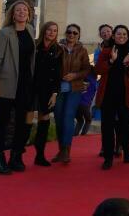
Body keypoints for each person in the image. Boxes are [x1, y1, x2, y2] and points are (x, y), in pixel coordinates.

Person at [0, 1, 36, 174]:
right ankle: (0, 160)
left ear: (28, 14)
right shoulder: (5, 33)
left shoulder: (30, 29)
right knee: (4, 123)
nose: (22, 12)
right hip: (7, 85)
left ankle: (16, 157)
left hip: (25, 85)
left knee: (22, 124)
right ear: (12, 15)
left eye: (25, 10)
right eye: (18, 10)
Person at [96, 25, 129, 169]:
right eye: (119, 34)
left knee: (125, 125)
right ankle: (108, 157)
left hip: (125, 95)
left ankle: (126, 150)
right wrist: (111, 61)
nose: (122, 36)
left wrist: (127, 64)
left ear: (128, 37)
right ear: (113, 36)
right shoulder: (107, 51)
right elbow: (98, 69)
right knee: (107, 127)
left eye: (124, 34)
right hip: (108, 95)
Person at [52, 23, 90, 164]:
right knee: (58, 119)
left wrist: (74, 75)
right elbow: (52, 66)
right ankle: (61, 149)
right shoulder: (57, 48)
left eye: (75, 33)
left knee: (68, 117)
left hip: (74, 89)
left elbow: (86, 69)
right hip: (58, 90)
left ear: (78, 35)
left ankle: (66, 151)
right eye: (69, 32)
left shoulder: (82, 51)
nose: (72, 35)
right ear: (65, 33)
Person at [26, 21, 62, 167]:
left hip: (47, 90)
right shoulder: (34, 46)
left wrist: (54, 93)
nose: (51, 33)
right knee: (27, 120)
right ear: (44, 31)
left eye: (55, 30)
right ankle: (17, 154)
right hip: (31, 88)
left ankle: (40, 155)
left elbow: (58, 73)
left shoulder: (58, 50)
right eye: (49, 30)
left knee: (44, 121)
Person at [94, 24, 121, 158]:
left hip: (117, 86)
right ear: (100, 35)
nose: (106, 33)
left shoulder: (118, 45)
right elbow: (98, 67)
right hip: (105, 86)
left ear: (112, 32)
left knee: (117, 119)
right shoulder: (99, 49)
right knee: (106, 120)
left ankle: (119, 145)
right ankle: (105, 146)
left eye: (108, 31)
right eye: (103, 32)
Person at [74, 66, 98, 136]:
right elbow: (91, 96)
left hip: (77, 103)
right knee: (88, 120)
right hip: (85, 104)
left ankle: (75, 135)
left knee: (80, 120)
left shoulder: (82, 78)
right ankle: (83, 135)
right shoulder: (94, 82)